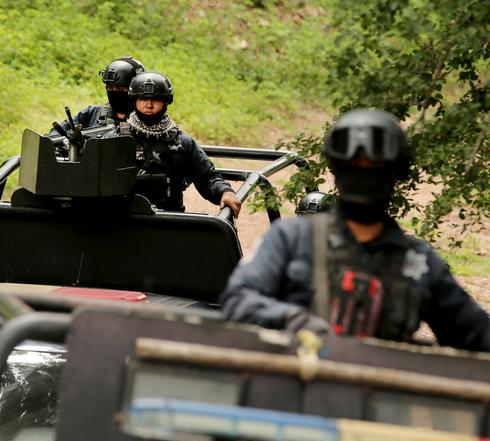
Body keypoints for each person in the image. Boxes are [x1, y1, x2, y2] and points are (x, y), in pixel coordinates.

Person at [221, 109, 490, 352]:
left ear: (395, 174)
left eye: (375, 168)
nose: (364, 175)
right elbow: (238, 300)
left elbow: (477, 334)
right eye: (354, 166)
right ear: (338, 170)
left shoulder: (418, 264)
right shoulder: (291, 238)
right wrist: (291, 319)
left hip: (379, 397)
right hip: (291, 394)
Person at [105, 71, 241, 216]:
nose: (149, 105)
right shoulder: (115, 139)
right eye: (143, 99)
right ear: (134, 101)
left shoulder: (182, 143)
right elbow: (95, 179)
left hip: (171, 223)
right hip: (124, 224)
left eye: (156, 99)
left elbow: (207, 177)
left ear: (165, 102)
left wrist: (225, 192)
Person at [48, 56, 144, 137]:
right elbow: (55, 133)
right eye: (110, 88)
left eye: (121, 89)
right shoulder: (91, 113)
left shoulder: (146, 121)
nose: (115, 92)